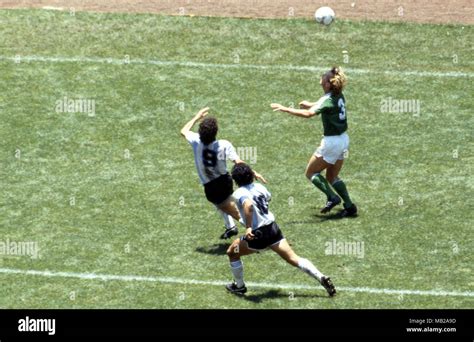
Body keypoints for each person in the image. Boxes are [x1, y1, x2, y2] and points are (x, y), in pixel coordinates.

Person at [225, 163, 336, 296]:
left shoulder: (239, 193)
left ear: (236, 180)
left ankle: (240, 286)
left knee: (232, 252)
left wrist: (248, 227)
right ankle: (321, 277)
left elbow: (248, 205)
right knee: (293, 258)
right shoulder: (260, 187)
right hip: (272, 229)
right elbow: (267, 198)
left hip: (258, 234)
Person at [270, 66, 357, 217]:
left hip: (332, 143)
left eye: (325, 75)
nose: (323, 76)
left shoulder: (327, 99)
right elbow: (324, 105)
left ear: (328, 83)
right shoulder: (339, 95)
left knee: (311, 172)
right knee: (332, 177)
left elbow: (309, 114)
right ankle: (349, 206)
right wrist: (310, 103)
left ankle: (332, 197)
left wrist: (285, 109)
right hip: (344, 139)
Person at [180, 107, 266, 239]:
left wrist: (197, 116)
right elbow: (238, 161)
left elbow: (184, 130)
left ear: (201, 132)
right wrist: (253, 171)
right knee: (229, 205)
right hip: (225, 181)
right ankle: (231, 226)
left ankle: (257, 230)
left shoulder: (196, 140)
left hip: (211, 186)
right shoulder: (224, 144)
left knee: (234, 212)